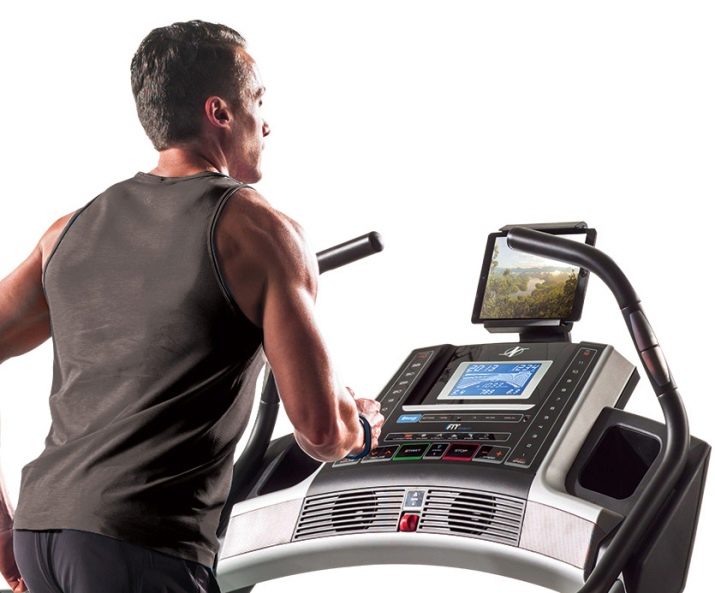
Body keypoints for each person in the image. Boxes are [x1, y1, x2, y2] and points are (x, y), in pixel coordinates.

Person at [0, 20, 384, 593]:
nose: (266, 122)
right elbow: (323, 431)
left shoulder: (67, 232)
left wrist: (3, 526)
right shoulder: (261, 231)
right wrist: (363, 425)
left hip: (43, 537)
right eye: (257, 101)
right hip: (137, 544)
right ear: (220, 112)